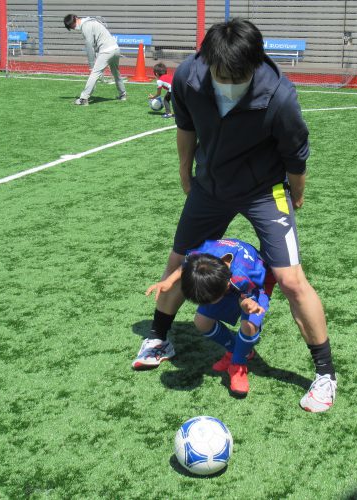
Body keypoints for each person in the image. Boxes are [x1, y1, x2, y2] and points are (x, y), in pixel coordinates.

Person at [133, 18, 337, 413]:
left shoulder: (279, 96)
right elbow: (186, 126)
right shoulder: (189, 78)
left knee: (293, 280)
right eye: (221, 73)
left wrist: (296, 194)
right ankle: (159, 338)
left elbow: (297, 156)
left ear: (256, 64)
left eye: (238, 75)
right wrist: (184, 170)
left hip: (265, 190)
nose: (229, 81)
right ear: (207, 61)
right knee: (179, 260)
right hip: (210, 185)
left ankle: (325, 375)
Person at [145, 239, 276, 396]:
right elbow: (186, 265)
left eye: (210, 300)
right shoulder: (197, 258)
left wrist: (247, 303)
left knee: (249, 325)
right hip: (224, 276)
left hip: (255, 286)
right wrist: (169, 281)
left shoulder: (242, 277)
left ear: (226, 287)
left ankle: (238, 365)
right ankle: (236, 350)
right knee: (201, 322)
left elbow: (245, 296)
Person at [63, 14, 127, 106]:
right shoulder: (91, 21)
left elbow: (89, 46)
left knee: (94, 74)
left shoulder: (85, 26)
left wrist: (91, 64)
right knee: (116, 73)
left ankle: (83, 99)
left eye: (72, 26)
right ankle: (123, 95)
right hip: (115, 49)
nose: (73, 28)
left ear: (76, 19)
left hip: (106, 50)